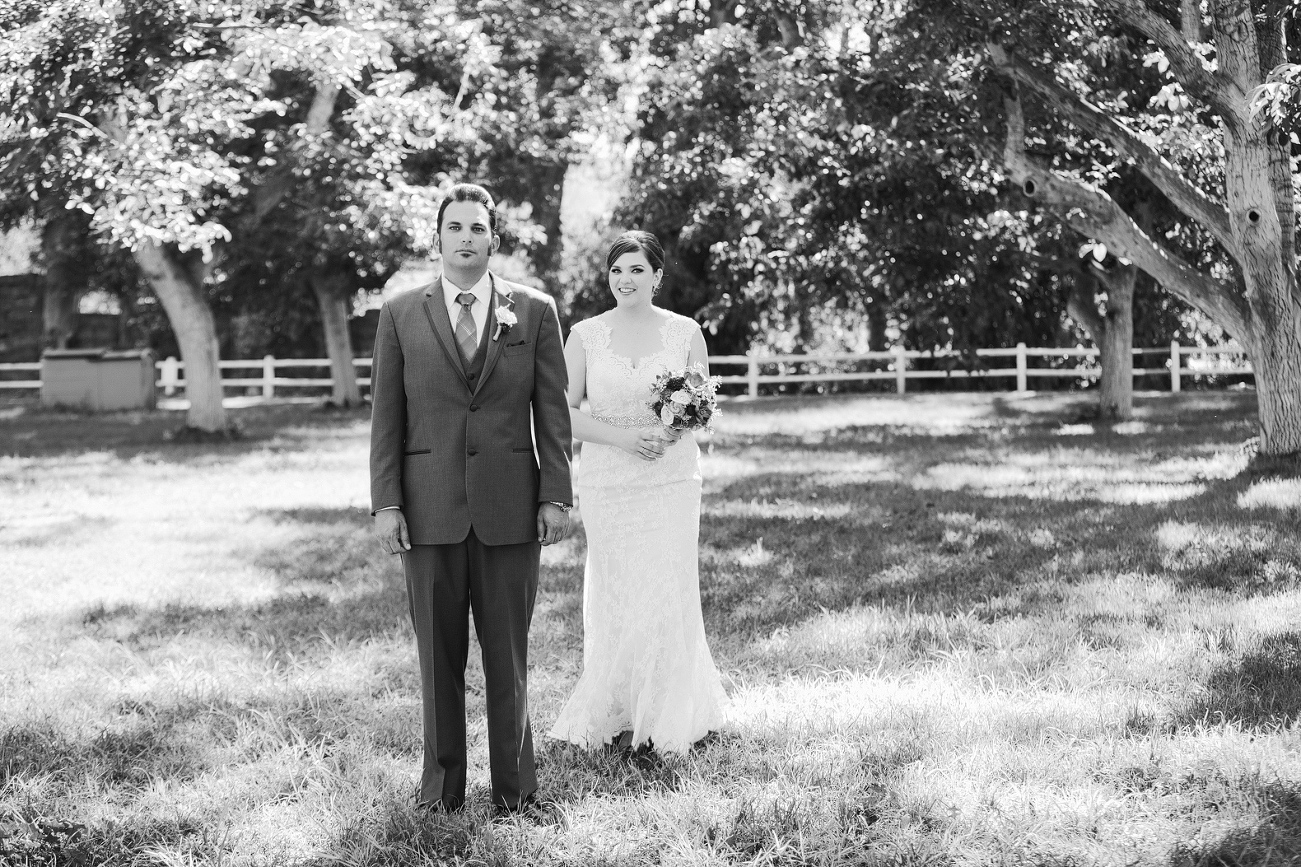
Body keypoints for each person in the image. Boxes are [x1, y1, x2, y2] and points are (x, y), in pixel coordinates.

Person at [369, 182, 573, 814]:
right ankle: (442, 792)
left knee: (509, 658)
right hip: (427, 512)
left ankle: (517, 791)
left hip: (512, 508)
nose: (466, 237)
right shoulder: (400, 314)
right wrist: (386, 503)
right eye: (454, 227)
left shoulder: (534, 311)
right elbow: (387, 418)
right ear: (438, 239)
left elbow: (553, 413)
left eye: (477, 228)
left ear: (494, 238)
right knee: (438, 661)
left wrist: (555, 495)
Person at [548, 230, 726, 754]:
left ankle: (670, 708)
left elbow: (699, 407)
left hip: (669, 479)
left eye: (637, 270)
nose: (625, 280)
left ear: (657, 277)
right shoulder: (584, 335)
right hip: (609, 481)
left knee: (668, 586)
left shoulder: (685, 332)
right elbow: (563, 413)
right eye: (617, 271)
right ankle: (619, 705)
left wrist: (669, 431)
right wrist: (626, 439)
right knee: (618, 587)